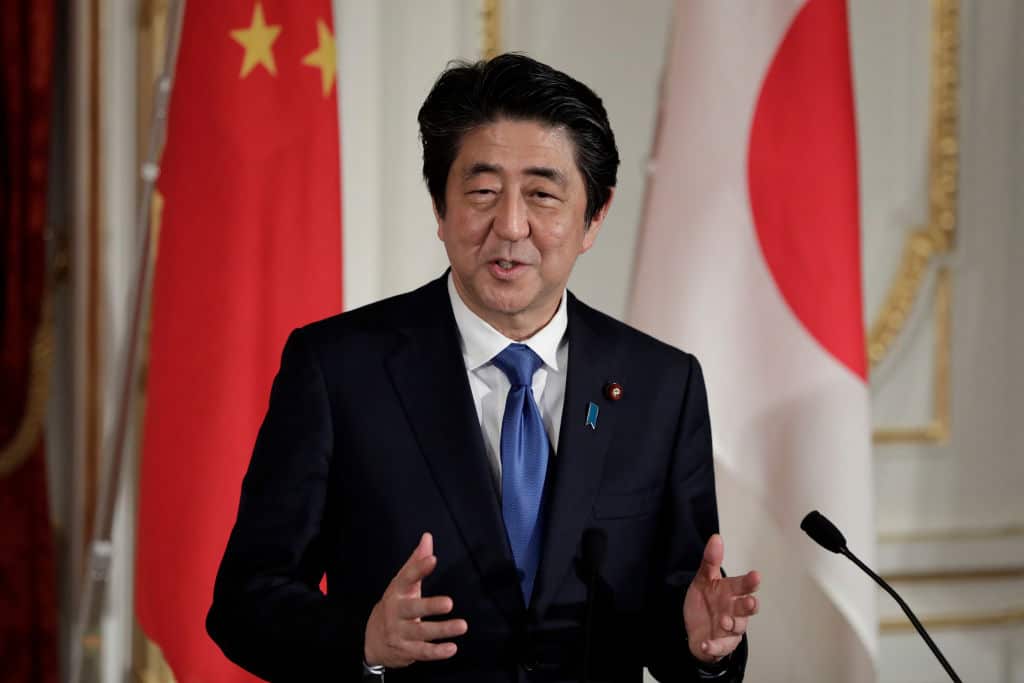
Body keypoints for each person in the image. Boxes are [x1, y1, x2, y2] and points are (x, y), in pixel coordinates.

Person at [207, 53, 760, 682]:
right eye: (482, 192)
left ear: (594, 217)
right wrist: (361, 640)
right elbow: (245, 601)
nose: (511, 225)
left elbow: (679, 610)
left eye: (543, 195)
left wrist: (702, 647)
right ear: (441, 210)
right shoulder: (338, 370)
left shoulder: (662, 384)